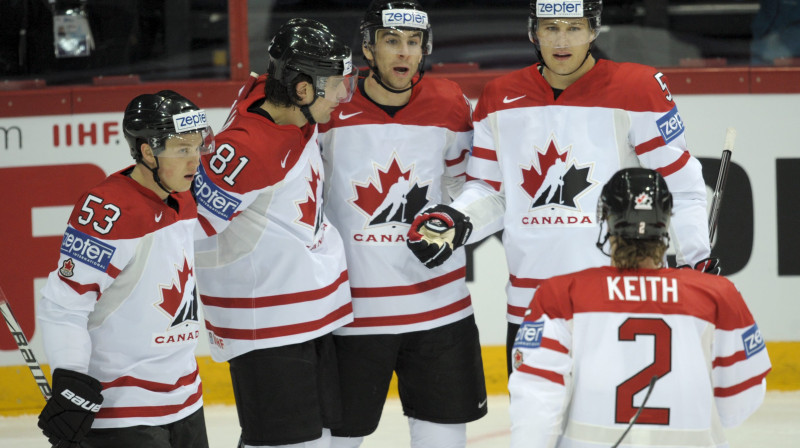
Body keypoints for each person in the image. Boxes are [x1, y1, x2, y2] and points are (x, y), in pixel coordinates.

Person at [406, 0, 716, 375]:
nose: (561, 40)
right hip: (529, 302)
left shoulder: (638, 89)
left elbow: (680, 187)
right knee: (534, 428)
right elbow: (490, 191)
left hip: (614, 296)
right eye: (551, 28)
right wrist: (456, 219)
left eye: (573, 27)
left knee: (605, 429)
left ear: (593, 30)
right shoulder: (497, 98)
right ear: (533, 32)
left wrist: (694, 257)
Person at [317, 2, 488, 447]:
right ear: (369, 47)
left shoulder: (448, 101)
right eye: (391, 41)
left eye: (413, 42)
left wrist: (454, 216)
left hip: (441, 311)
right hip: (351, 315)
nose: (403, 53)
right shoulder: (333, 101)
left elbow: (472, 186)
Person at [507, 168, 772, 448]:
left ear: (606, 220)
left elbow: (535, 407)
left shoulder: (560, 295)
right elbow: (738, 405)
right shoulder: (718, 296)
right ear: (667, 222)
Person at [192, 18, 357, 448]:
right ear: (302, 90)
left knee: (316, 440)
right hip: (265, 325)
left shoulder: (277, 98)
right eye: (337, 84)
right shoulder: (246, 150)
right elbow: (186, 230)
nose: (343, 95)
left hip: (305, 315)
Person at [36, 90, 215, 448]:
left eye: (197, 147)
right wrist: (69, 374)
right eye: (182, 150)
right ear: (147, 151)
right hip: (123, 410)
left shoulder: (183, 196)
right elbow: (64, 304)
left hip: (186, 398)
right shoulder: (109, 212)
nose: (195, 161)